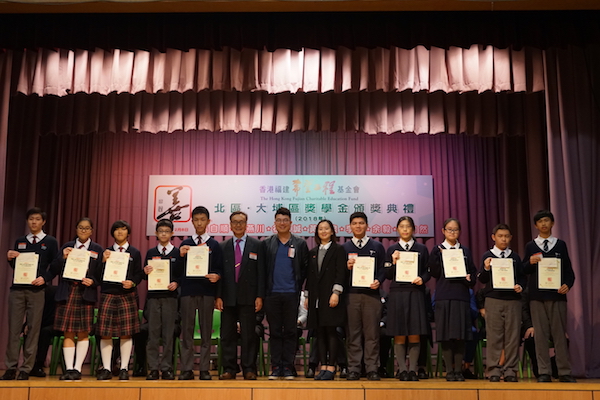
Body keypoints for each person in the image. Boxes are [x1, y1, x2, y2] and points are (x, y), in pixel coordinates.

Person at [1, 207, 59, 381]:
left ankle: (27, 367)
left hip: (37, 290)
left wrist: (45, 278)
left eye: (37, 219)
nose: (34, 222)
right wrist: (10, 259)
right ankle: (11, 367)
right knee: (14, 329)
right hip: (17, 289)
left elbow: (56, 265)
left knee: (34, 329)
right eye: (31, 219)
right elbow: (18, 267)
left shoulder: (50, 241)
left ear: (43, 222)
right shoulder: (20, 241)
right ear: (27, 221)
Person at [523, 210, 576, 383]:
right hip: (537, 296)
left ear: (552, 223)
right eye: (540, 221)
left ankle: (564, 371)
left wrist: (567, 285)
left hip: (557, 296)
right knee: (540, 335)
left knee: (559, 334)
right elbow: (523, 270)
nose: (544, 224)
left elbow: (569, 272)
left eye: (547, 220)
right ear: (535, 225)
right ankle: (544, 371)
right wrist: (529, 263)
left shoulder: (560, 245)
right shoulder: (531, 246)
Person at [51, 217, 103, 380]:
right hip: (67, 291)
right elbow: (53, 268)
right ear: (76, 229)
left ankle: (78, 369)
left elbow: (102, 275)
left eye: (87, 228)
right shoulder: (67, 246)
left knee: (83, 333)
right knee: (68, 332)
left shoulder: (97, 249)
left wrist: (93, 281)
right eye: (80, 227)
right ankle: (69, 369)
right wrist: (62, 258)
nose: (83, 230)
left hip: (85, 293)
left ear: (92, 231)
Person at [216, 211, 265, 380]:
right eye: (235, 222)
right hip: (227, 297)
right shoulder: (222, 246)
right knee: (227, 335)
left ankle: (249, 368)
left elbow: (261, 274)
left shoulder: (257, 245)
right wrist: (218, 296)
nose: (238, 225)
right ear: (230, 225)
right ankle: (229, 368)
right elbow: (219, 273)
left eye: (241, 222)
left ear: (246, 224)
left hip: (249, 297)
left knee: (248, 335)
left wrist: (260, 296)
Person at [262, 207, 309, 380]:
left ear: (290, 223)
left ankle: (288, 367)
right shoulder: (266, 244)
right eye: (279, 220)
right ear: (274, 223)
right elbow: (263, 270)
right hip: (272, 294)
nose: (282, 223)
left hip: (291, 294)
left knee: (290, 331)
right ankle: (276, 367)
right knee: (275, 332)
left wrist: (299, 288)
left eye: (285, 220)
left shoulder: (300, 243)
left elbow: (304, 269)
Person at [428, 218, 477, 382]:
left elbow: (472, 275)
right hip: (444, 296)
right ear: (443, 231)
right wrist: (441, 256)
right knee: (447, 335)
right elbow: (434, 273)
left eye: (455, 230)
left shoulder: (465, 251)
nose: (452, 233)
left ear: (459, 232)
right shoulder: (437, 249)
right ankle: (449, 371)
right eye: (449, 230)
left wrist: (468, 279)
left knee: (460, 335)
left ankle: (459, 371)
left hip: (461, 296)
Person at [177, 206, 223, 380]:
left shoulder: (214, 245)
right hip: (188, 291)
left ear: (208, 222)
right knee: (187, 331)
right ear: (192, 222)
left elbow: (220, 269)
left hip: (207, 291)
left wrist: (216, 276)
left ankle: (204, 369)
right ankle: (187, 369)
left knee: (206, 331)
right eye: (196, 220)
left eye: (202, 219)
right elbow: (177, 272)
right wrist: (180, 257)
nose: (199, 223)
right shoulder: (185, 244)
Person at [477, 223, 526, 382]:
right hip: (493, 300)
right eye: (500, 236)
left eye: (506, 236)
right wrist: (486, 268)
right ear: (493, 237)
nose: (503, 239)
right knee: (494, 336)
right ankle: (493, 370)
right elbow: (482, 280)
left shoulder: (515, 257)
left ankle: (510, 370)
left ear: (510, 238)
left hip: (513, 301)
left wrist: (520, 286)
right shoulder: (488, 255)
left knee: (512, 337)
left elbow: (522, 277)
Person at [96, 220, 143, 380]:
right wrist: (102, 261)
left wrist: (133, 282)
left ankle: (124, 368)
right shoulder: (106, 252)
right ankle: (107, 368)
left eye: (123, 230)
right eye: (117, 230)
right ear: (113, 233)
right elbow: (97, 275)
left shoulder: (135, 252)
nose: (120, 232)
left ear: (128, 233)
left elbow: (138, 274)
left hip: (127, 295)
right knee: (105, 334)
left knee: (126, 334)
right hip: (108, 294)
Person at [385, 216, 430, 381]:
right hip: (397, 292)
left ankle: (413, 370)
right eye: (402, 226)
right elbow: (388, 274)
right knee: (399, 332)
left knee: (414, 333)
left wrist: (422, 279)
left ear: (413, 229)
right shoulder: (391, 249)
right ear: (397, 229)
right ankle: (402, 369)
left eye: (408, 227)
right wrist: (393, 261)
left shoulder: (421, 248)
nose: (405, 229)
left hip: (415, 292)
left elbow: (427, 271)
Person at [343, 212, 386, 381]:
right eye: (355, 223)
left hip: (372, 296)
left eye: (361, 223)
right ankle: (354, 368)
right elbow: (339, 274)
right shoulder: (344, 248)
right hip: (351, 296)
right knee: (353, 334)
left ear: (367, 226)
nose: (358, 226)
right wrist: (347, 268)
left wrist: (378, 280)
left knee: (372, 334)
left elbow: (383, 269)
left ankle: (372, 368)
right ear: (350, 226)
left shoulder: (377, 246)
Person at [305, 220, 347, 380]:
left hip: (331, 297)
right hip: (317, 298)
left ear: (332, 231)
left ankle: (331, 366)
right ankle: (323, 366)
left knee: (331, 332)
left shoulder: (338, 250)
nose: (323, 231)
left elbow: (340, 273)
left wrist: (336, 292)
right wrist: (308, 295)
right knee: (319, 332)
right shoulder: (313, 251)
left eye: (326, 228)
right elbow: (310, 276)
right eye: (320, 229)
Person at [142, 219, 181, 380]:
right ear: (156, 234)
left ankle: (166, 368)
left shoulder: (177, 253)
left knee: (168, 334)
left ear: (172, 234)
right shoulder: (151, 252)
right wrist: (145, 271)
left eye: (167, 231)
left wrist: (176, 283)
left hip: (170, 298)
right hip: (153, 298)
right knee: (152, 334)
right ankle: (152, 368)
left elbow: (181, 275)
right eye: (161, 231)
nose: (164, 234)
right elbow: (145, 275)